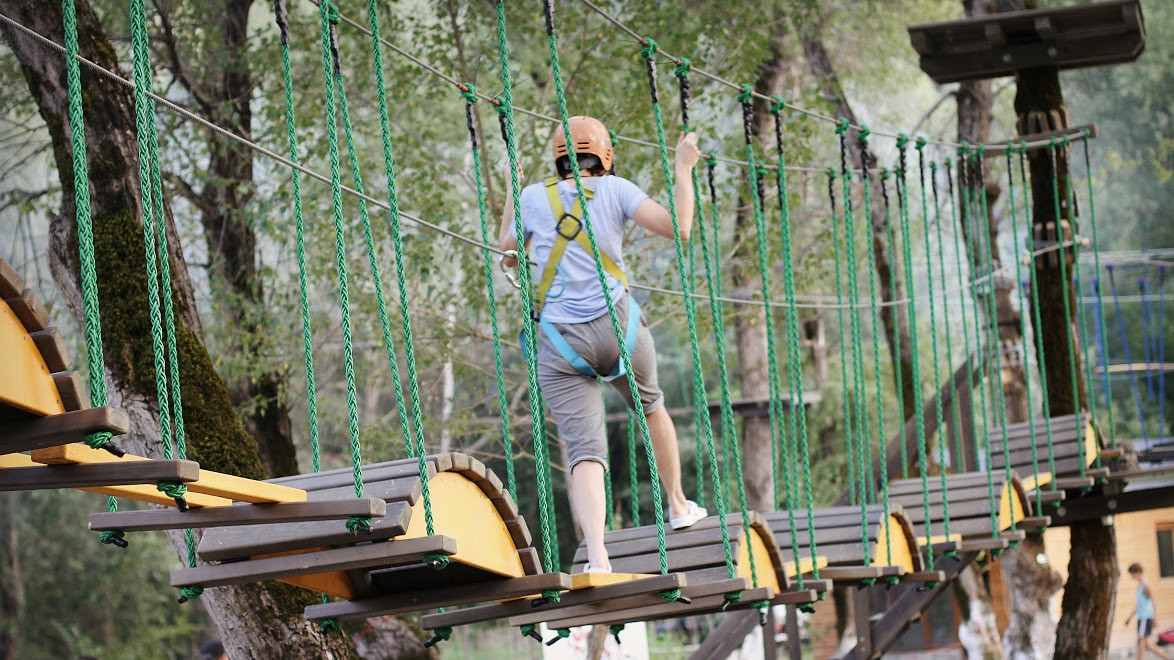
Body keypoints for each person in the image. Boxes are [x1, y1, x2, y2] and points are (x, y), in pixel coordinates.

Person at [499, 116, 707, 572]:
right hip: (620, 330)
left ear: (557, 159)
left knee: (583, 452)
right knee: (651, 407)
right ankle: (677, 506)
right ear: (606, 156)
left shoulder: (533, 198)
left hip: (560, 343)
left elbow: (507, 250)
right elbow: (681, 228)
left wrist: (515, 191)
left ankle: (598, 556)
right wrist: (682, 169)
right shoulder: (617, 190)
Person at [1125, 563, 1169, 660]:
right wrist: (1129, 617)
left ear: (1138, 572)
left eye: (1132, 573)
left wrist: (1154, 618)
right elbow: (1139, 605)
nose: (1132, 576)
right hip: (1141, 617)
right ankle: (1167, 657)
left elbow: (1153, 601)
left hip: (1146, 617)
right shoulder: (1139, 587)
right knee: (1145, 644)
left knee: (1141, 643)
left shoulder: (1145, 586)